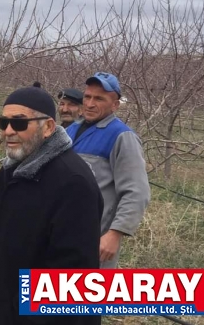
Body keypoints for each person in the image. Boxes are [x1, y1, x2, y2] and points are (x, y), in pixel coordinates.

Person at [0, 83, 103, 325]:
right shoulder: (12, 170)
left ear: (47, 127)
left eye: (20, 122)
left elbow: (71, 283)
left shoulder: (73, 183)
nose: (9, 131)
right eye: (4, 123)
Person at [66, 72, 150, 269]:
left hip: (95, 240)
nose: (90, 104)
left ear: (115, 105)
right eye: (87, 97)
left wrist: (115, 233)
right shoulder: (70, 130)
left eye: (99, 98)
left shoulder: (122, 137)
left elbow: (136, 191)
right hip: (62, 233)